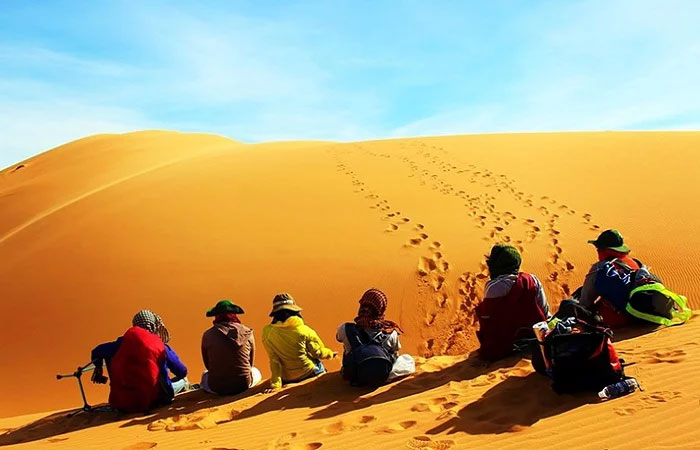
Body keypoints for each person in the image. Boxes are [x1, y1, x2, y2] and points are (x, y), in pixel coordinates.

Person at [90, 309, 189, 412]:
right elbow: (181, 371)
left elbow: (96, 351)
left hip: (122, 403)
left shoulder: (120, 344)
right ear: (153, 326)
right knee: (183, 380)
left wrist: (99, 367)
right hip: (155, 400)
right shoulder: (160, 346)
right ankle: (186, 385)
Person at [475, 244, 552, 360]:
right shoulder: (532, 280)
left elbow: (489, 322)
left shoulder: (493, 287)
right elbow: (545, 313)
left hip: (503, 348)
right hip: (534, 340)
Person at [336, 288, 415, 386]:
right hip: (381, 375)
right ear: (381, 309)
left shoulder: (345, 328)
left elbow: (338, 338)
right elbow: (396, 349)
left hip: (353, 375)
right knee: (407, 359)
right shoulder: (390, 332)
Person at [261, 293, 336, 393]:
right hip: (309, 372)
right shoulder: (304, 330)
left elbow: (274, 360)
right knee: (319, 366)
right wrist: (330, 353)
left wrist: (276, 384)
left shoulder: (267, 332)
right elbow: (317, 353)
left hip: (286, 378)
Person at [574, 229, 642, 326]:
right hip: (639, 316)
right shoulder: (634, 263)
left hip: (617, 320)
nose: (597, 252)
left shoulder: (601, 268)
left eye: (599, 249)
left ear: (607, 250)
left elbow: (584, 304)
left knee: (568, 305)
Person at [200, 300, 262, 395]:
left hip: (217, 388)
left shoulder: (208, 335)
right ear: (234, 315)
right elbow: (250, 363)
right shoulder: (248, 333)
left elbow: (207, 365)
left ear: (217, 316)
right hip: (243, 385)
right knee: (255, 371)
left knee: (205, 374)